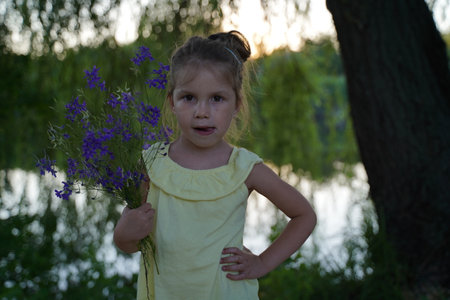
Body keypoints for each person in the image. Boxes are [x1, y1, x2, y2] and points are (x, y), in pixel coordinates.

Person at [113, 30, 317, 300]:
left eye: (217, 99)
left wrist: (262, 263)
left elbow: (304, 216)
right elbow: (131, 243)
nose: (202, 111)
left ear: (236, 105)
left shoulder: (243, 168)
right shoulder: (151, 163)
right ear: (171, 102)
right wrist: (123, 233)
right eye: (189, 98)